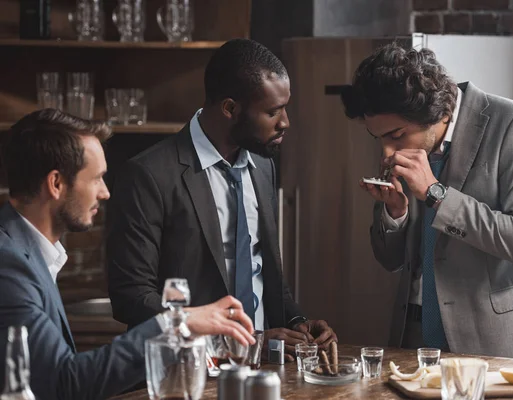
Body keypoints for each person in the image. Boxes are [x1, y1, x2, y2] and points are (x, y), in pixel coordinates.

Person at [106, 38, 337, 361]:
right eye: (272, 111)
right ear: (229, 108)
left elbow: (264, 271)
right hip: (181, 371)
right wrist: (235, 342)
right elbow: (131, 296)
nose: (285, 122)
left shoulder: (263, 166)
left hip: (260, 370)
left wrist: (297, 323)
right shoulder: (148, 175)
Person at [0, 109, 255, 400]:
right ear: (56, 184)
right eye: (96, 178)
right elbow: (64, 382)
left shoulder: (25, 252)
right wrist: (176, 323)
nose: (105, 192)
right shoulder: (8, 266)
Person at [341, 43, 513, 362]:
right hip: (414, 338)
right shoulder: (402, 142)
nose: (387, 153)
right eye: (378, 139)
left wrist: (435, 194)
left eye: (396, 135)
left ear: (438, 114)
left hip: (496, 343)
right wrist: (396, 213)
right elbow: (391, 261)